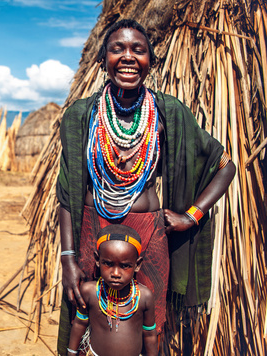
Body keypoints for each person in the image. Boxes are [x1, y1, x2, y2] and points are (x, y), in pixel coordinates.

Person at [56, 19, 236, 355]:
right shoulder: (82, 116)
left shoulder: (168, 113)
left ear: (150, 62)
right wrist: (68, 258)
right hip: (91, 231)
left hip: (148, 237)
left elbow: (225, 165)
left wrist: (191, 216)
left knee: (150, 326)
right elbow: (66, 196)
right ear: (102, 60)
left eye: (138, 50)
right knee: (85, 318)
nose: (128, 56)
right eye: (117, 49)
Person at [67, 224, 157, 356]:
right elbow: (80, 324)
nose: (115, 273)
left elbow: (149, 334)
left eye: (125, 266)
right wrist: (71, 353)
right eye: (108, 264)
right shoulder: (89, 291)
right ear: (97, 259)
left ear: (137, 265)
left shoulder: (144, 297)